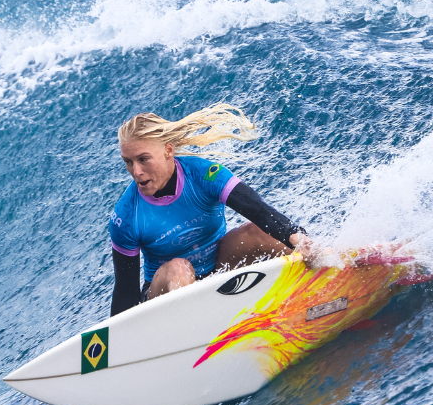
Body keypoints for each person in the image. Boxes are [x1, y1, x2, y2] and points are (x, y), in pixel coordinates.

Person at [109, 103, 320, 317]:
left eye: (143, 159)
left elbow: (259, 210)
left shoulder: (203, 175)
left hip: (217, 268)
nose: (136, 171)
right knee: (179, 269)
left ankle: (322, 279)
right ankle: (195, 332)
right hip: (165, 292)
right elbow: (125, 291)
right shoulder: (127, 215)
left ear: (168, 150)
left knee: (258, 232)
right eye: (128, 162)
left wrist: (299, 239)